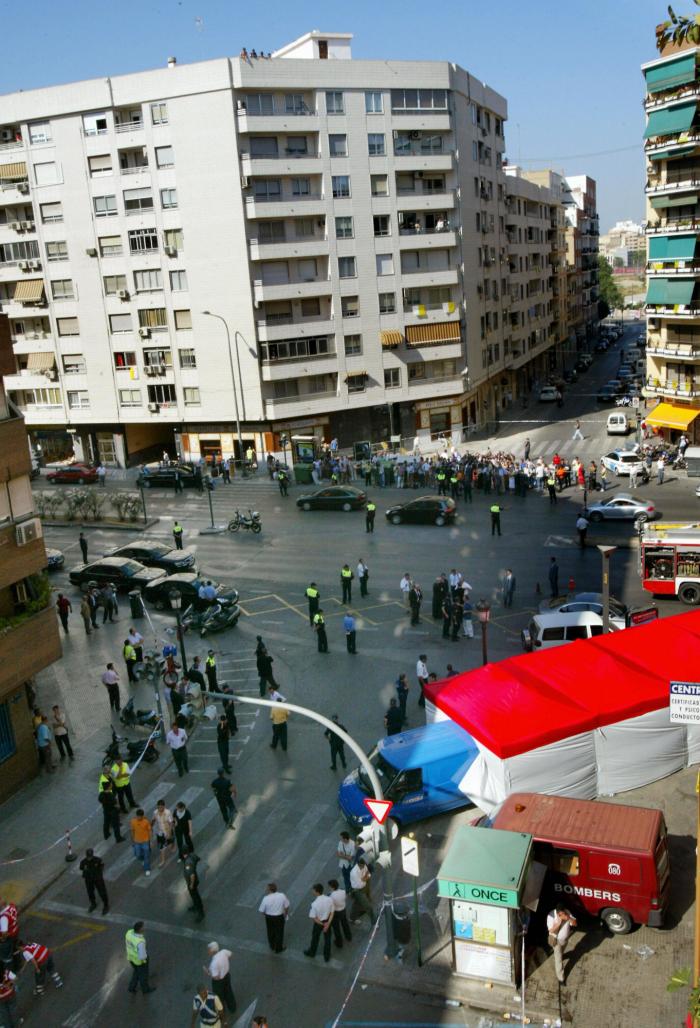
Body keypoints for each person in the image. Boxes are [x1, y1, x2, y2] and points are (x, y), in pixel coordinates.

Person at [547, 905, 577, 984]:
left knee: (561, 953)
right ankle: (561, 978)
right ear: (557, 913)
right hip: (556, 941)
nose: (562, 915)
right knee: (558, 960)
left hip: (565, 940)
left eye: (563, 913)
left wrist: (569, 918)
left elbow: (575, 924)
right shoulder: (551, 916)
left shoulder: (567, 912)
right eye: (560, 914)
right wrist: (559, 923)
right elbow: (551, 930)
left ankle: (561, 955)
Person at [304, 884, 334, 962]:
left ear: (316, 892)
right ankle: (326, 956)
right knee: (327, 939)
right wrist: (327, 924)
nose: (312, 891)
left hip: (319, 923)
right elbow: (332, 912)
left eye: (313, 890)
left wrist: (322, 924)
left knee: (315, 938)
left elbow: (314, 918)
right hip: (327, 921)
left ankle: (312, 952)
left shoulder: (314, 904)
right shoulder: (329, 899)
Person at [125, 921, 155, 995]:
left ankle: (131, 987)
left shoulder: (129, 933)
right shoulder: (140, 942)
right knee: (143, 975)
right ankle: (145, 989)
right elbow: (142, 956)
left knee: (136, 972)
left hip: (131, 958)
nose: (144, 928)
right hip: (139, 961)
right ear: (140, 930)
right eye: (143, 927)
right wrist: (145, 960)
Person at [258, 883, 289, 953]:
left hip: (269, 917)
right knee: (279, 932)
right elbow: (286, 906)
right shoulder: (282, 895)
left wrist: (267, 914)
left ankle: (272, 945)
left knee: (270, 931)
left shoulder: (265, 898)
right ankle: (278, 948)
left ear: (269, 890)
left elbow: (262, 911)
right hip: (279, 917)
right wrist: (285, 914)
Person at [79, 849, 109, 914]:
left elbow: (102, 866)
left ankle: (106, 905)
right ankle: (93, 903)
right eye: (88, 856)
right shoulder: (83, 862)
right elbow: (81, 867)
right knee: (90, 892)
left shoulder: (97, 860)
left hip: (97, 879)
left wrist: (99, 873)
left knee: (102, 892)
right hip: (88, 879)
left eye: (90, 856)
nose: (89, 858)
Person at [328, 879, 352, 949]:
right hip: (343, 910)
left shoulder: (331, 896)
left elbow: (330, 905)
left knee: (336, 928)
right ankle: (348, 936)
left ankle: (339, 943)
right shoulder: (343, 891)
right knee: (345, 924)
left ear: (332, 887)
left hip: (336, 912)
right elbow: (345, 897)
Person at [349, 859, 374, 923]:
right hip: (358, 891)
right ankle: (374, 919)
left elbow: (368, 874)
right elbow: (360, 884)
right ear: (359, 864)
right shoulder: (354, 872)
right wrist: (365, 877)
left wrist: (364, 878)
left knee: (357, 904)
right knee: (367, 906)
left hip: (363, 887)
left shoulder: (364, 866)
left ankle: (352, 918)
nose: (364, 867)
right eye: (363, 866)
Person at [151, 800, 175, 868]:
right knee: (161, 848)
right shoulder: (155, 812)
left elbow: (171, 823)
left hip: (168, 831)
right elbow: (153, 820)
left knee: (171, 841)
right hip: (160, 832)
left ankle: (173, 845)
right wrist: (151, 825)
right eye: (158, 807)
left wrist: (169, 833)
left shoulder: (168, 812)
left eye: (161, 807)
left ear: (164, 806)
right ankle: (163, 860)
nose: (160, 809)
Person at [184, 850, 205, 922]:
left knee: (195, 896)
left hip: (192, 882)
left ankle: (201, 913)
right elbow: (198, 858)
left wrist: (191, 884)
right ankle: (196, 906)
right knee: (194, 896)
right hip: (195, 880)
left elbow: (192, 875)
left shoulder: (187, 862)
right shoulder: (192, 855)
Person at [130, 809, 152, 876]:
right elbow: (132, 831)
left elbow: (149, 831)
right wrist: (132, 840)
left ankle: (147, 868)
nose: (139, 818)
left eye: (140, 817)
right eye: (138, 816)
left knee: (146, 855)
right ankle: (143, 859)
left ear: (142, 816)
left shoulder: (146, 822)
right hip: (137, 841)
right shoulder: (133, 821)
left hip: (145, 841)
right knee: (138, 855)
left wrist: (150, 840)